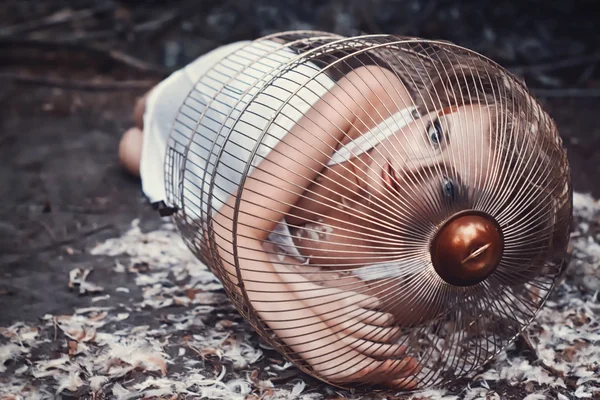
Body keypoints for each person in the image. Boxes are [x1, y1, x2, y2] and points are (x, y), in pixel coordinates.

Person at [118, 33, 570, 389]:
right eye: (435, 134)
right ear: (444, 109)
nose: (412, 165)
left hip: (215, 185)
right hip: (234, 92)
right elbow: (226, 237)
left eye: (448, 187)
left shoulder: (405, 282)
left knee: (134, 153)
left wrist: (264, 258)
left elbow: (235, 243)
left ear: (460, 238)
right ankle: (153, 101)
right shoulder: (372, 94)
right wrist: (319, 340)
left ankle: (154, 144)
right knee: (152, 106)